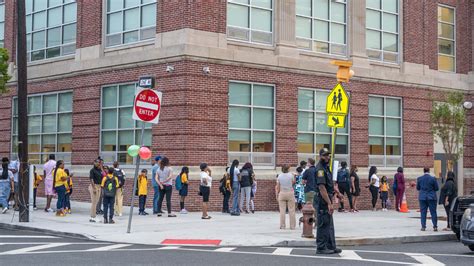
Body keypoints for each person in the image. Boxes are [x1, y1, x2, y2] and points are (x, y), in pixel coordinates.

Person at [315, 148, 341, 255]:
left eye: (328, 155)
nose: (327, 157)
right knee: (323, 223)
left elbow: (329, 184)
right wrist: (329, 203)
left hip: (327, 197)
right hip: (322, 200)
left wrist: (338, 193)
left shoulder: (326, 168)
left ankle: (330, 245)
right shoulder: (320, 169)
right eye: (325, 155)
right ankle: (321, 247)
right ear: (320, 156)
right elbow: (322, 188)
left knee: (329, 224)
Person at [417, 167, 439, 231]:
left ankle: (423, 226)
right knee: (433, 212)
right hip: (431, 197)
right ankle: (435, 226)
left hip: (422, 197)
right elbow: (437, 188)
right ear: (429, 171)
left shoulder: (419, 179)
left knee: (423, 212)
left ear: (423, 171)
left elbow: (418, 188)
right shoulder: (433, 179)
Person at [276, 165, 296, 230]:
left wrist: (277, 194)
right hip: (290, 192)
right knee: (292, 210)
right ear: (288, 169)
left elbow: (278, 186)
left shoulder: (279, 176)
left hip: (282, 193)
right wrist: (294, 177)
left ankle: (282, 225)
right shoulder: (291, 175)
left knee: (282, 211)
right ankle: (292, 226)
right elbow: (293, 183)